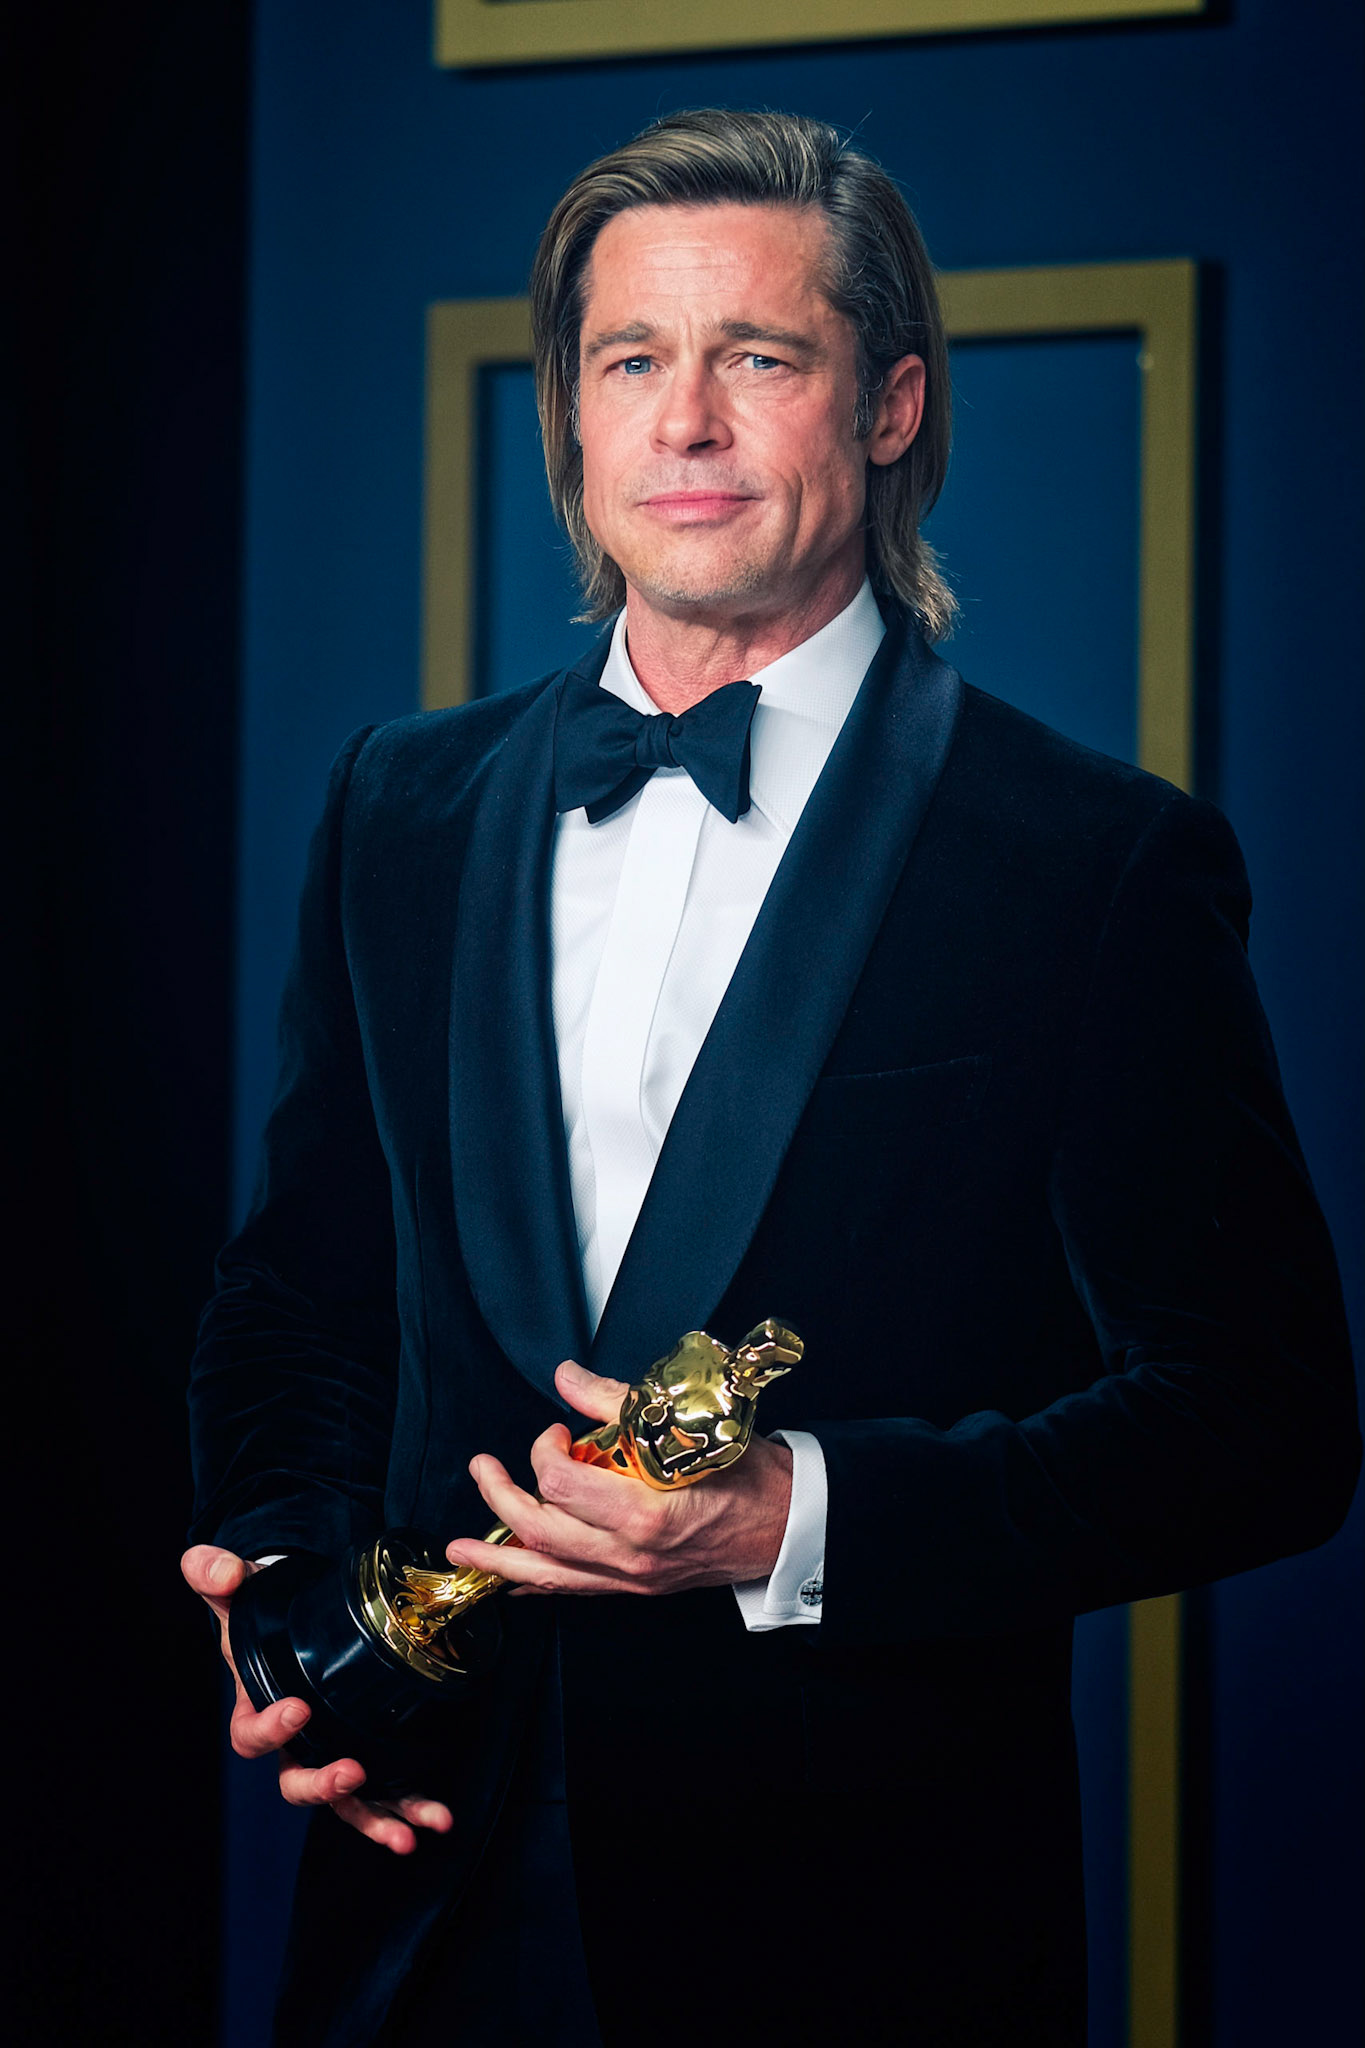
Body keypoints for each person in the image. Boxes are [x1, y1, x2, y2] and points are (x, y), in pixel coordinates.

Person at [183, 109, 1359, 2048]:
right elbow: (301, 1287)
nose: (685, 420)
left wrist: (789, 1516)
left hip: (857, 1930)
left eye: (760, 355)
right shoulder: (397, 799)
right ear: (568, 411)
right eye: (630, 358)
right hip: (416, 1896)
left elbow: (1261, 1420)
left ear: (888, 405)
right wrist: (301, 1610)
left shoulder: (1088, 856)